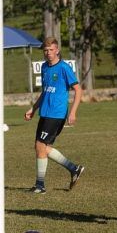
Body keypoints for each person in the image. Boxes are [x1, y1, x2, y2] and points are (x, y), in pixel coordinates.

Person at [24, 37, 84, 194]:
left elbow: (78, 90)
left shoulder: (64, 68)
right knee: (43, 147)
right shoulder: (44, 67)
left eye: (51, 50)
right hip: (45, 112)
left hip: (56, 114)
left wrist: (73, 111)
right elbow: (45, 92)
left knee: (40, 146)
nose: (48, 53)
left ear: (57, 50)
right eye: (45, 50)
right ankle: (74, 168)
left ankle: (40, 185)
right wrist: (34, 108)